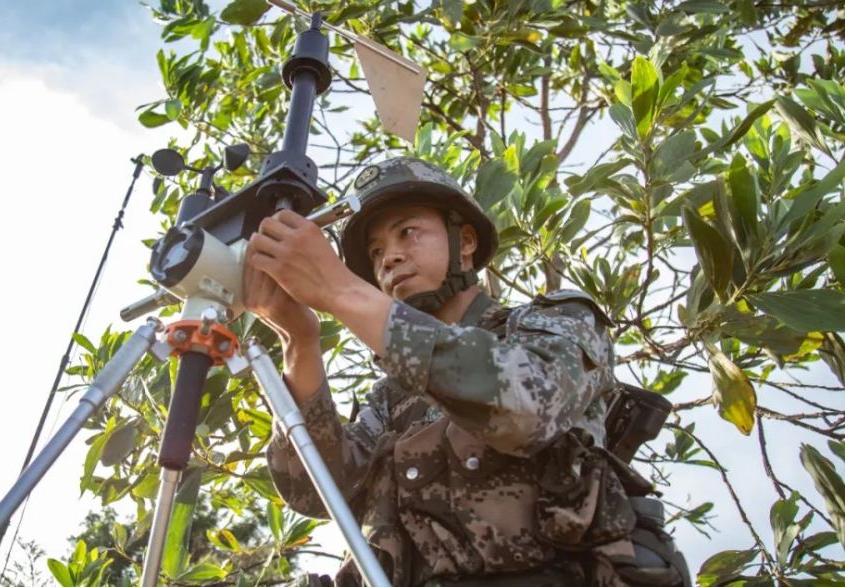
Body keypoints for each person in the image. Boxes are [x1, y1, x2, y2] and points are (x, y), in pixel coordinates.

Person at [243, 157, 680, 587]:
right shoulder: (394, 396)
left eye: (408, 233)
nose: (389, 259)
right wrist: (299, 340)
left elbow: (524, 408)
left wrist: (338, 289)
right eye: (376, 252)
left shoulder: (554, 322)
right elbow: (314, 488)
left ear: (465, 242)